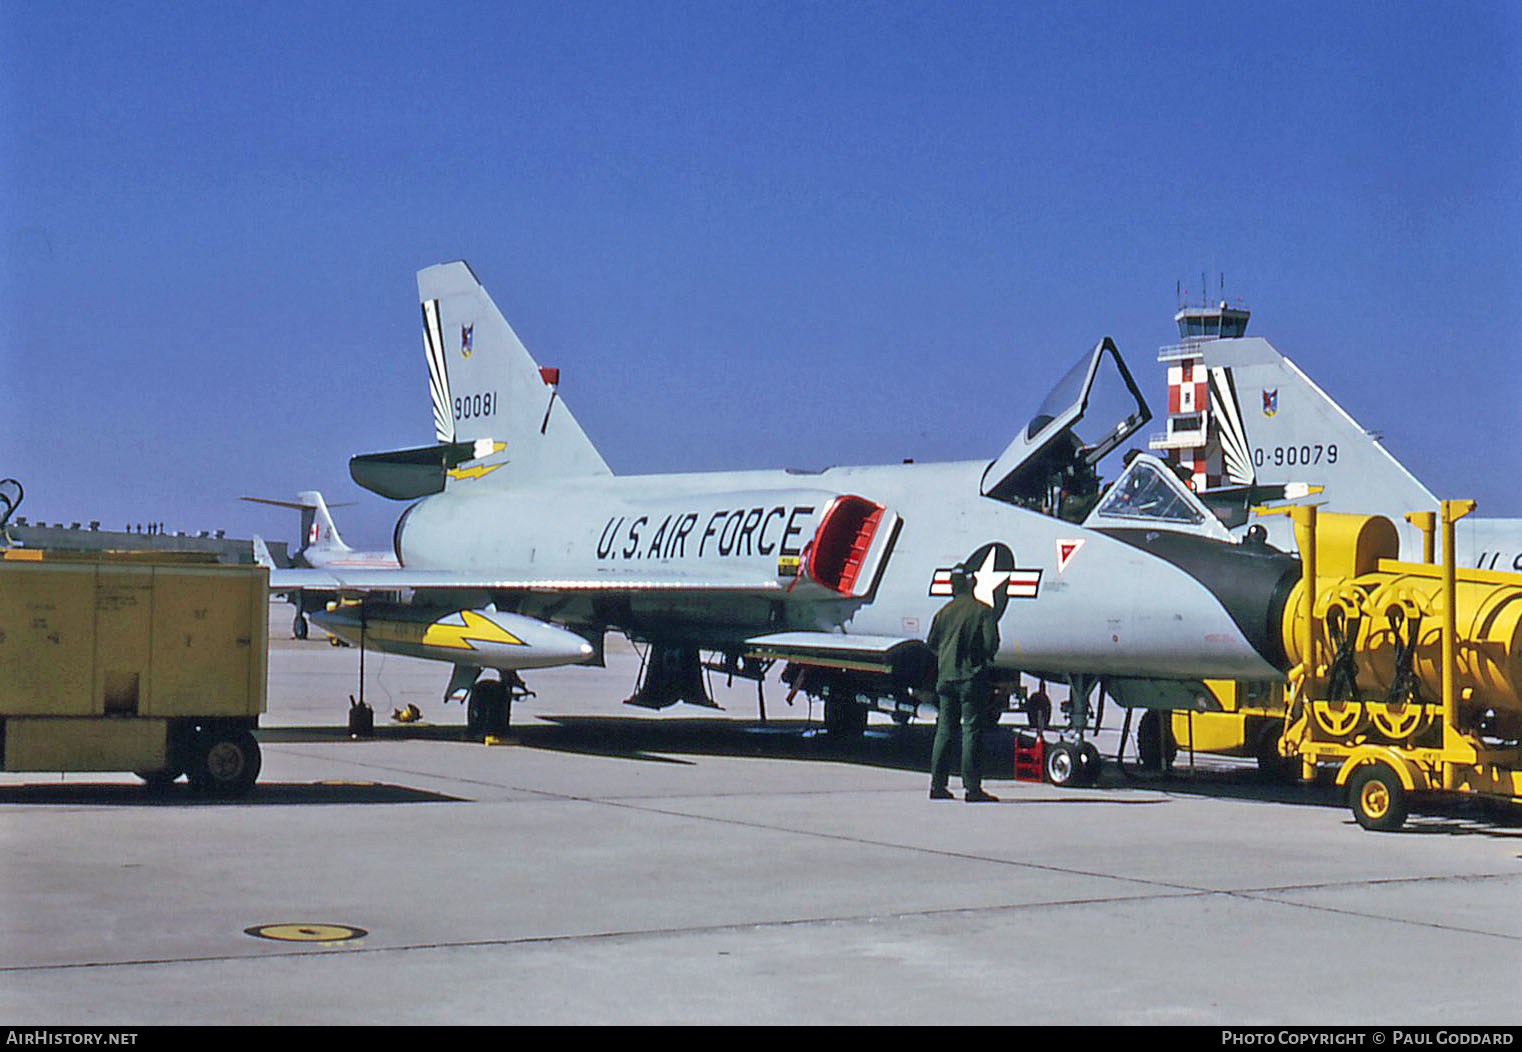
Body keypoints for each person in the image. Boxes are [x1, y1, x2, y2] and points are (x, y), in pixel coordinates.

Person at [926, 564, 1001, 802]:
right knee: (971, 730)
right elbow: (992, 645)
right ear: (972, 583)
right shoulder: (983, 611)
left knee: (944, 729)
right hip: (970, 678)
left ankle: (937, 785)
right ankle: (972, 788)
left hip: (945, 678)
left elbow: (931, 642)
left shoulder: (943, 612)